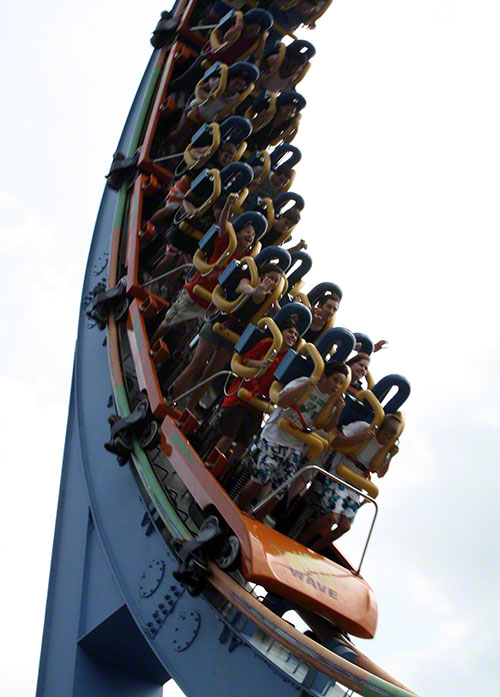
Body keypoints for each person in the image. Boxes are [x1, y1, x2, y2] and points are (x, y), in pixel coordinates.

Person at [238, 361, 349, 517]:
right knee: (262, 474)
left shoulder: (330, 401)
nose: (337, 386)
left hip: (295, 445)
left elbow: (326, 427)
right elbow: (282, 401)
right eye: (335, 380)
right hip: (275, 435)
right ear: (324, 377)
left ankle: (256, 519)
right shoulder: (304, 382)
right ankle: (238, 510)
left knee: (281, 488)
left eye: (341, 383)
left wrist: (338, 411)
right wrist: (307, 384)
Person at [168, 262, 284, 409]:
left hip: (236, 335)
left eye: (276, 281)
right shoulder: (250, 280)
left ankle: (189, 408)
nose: (272, 282)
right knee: (196, 363)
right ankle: (171, 399)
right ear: (262, 276)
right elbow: (242, 287)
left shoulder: (272, 300)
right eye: (270, 278)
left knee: (210, 374)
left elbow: (279, 316)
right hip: (221, 322)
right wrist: (255, 291)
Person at [150, 193, 257, 343]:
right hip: (195, 292)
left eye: (253, 234)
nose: (251, 236)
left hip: (209, 304)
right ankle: (151, 343)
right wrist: (228, 204)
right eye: (248, 232)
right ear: (237, 234)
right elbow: (222, 223)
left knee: (189, 337)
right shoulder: (226, 243)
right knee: (169, 322)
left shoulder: (246, 258)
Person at [301, 414, 401, 550]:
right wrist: (361, 438)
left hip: (355, 484)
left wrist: (391, 457)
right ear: (380, 428)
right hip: (339, 474)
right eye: (385, 433)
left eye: (390, 437)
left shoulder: (386, 449)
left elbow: (380, 473)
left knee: (345, 526)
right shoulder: (364, 428)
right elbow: (336, 441)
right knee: (332, 517)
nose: (386, 438)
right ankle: (301, 542)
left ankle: (315, 549)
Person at [213, 320, 300, 463]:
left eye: (296, 335)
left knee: (245, 442)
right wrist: (259, 364)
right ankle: (211, 462)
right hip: (242, 393)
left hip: (259, 402)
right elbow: (245, 359)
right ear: (281, 332)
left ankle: (226, 470)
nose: (293, 336)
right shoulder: (268, 343)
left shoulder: (289, 359)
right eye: (290, 332)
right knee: (229, 434)